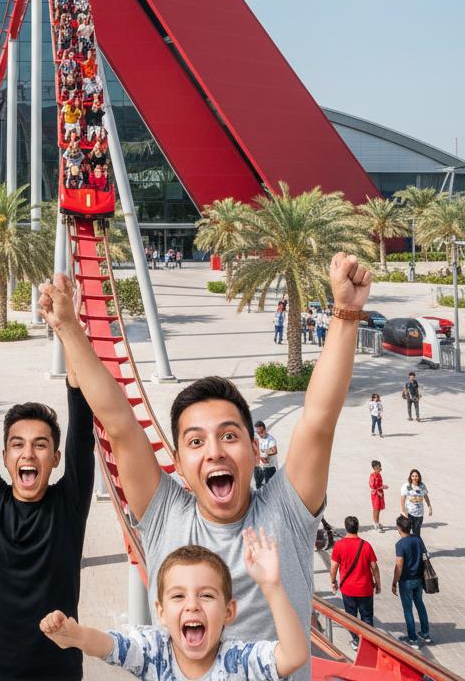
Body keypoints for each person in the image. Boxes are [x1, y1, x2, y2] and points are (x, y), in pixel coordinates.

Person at [39, 253, 373, 681]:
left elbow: (318, 420)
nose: (214, 450)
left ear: (255, 450)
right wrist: (68, 327)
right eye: (196, 441)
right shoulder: (164, 515)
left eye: (229, 436)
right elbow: (120, 423)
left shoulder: (286, 513)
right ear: (177, 462)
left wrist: (346, 313)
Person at [0, 284, 94, 681]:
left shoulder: (69, 503)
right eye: (17, 445)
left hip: (56, 672)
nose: (28, 454)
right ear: (5, 458)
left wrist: (68, 330)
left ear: (56, 458)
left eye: (40, 445)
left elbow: (81, 423)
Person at [40, 530, 308, 681]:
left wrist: (272, 588)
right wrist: (77, 637)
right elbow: (110, 645)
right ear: (161, 612)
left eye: (206, 595)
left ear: (229, 612)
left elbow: (293, 656)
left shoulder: (240, 661)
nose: (192, 605)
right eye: (178, 596)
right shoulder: (153, 650)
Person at [330, 516, 380, 648]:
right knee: (367, 617)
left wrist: (333, 581)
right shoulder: (366, 545)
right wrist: (378, 583)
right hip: (365, 588)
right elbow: (374, 567)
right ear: (357, 527)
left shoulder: (339, 545)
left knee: (351, 617)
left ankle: (356, 641)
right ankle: (369, 643)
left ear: (346, 528)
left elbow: (334, 567)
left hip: (348, 589)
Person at [392, 515, 431, 645]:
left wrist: (394, 582)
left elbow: (399, 565)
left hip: (406, 581)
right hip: (419, 579)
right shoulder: (418, 539)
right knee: (420, 604)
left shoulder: (400, 544)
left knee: (408, 609)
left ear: (399, 528)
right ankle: (425, 633)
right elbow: (425, 555)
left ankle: (413, 638)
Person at [400, 469, 432, 538]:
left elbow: (426, 496)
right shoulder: (407, 486)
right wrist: (403, 511)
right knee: (406, 532)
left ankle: (416, 547)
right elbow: (403, 499)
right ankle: (407, 547)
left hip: (419, 514)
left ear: (419, 477)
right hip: (408, 514)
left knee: (417, 533)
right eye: (413, 476)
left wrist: (429, 507)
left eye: (416, 476)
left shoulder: (422, 486)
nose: (414, 478)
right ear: (410, 477)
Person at [253, 421, 277, 489]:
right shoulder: (256, 437)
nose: (260, 434)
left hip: (269, 467)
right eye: (258, 432)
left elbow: (274, 450)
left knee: (269, 487)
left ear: (265, 429)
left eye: (261, 432)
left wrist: (264, 452)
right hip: (258, 466)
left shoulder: (270, 439)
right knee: (258, 485)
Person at [369, 460, 387, 532]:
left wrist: (382, 487)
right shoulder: (372, 476)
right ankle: (376, 524)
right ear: (375, 468)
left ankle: (377, 522)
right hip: (375, 494)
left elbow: (379, 485)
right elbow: (372, 486)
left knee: (378, 509)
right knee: (376, 509)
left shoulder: (379, 475)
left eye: (380, 467)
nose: (380, 469)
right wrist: (382, 487)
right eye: (378, 467)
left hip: (380, 493)